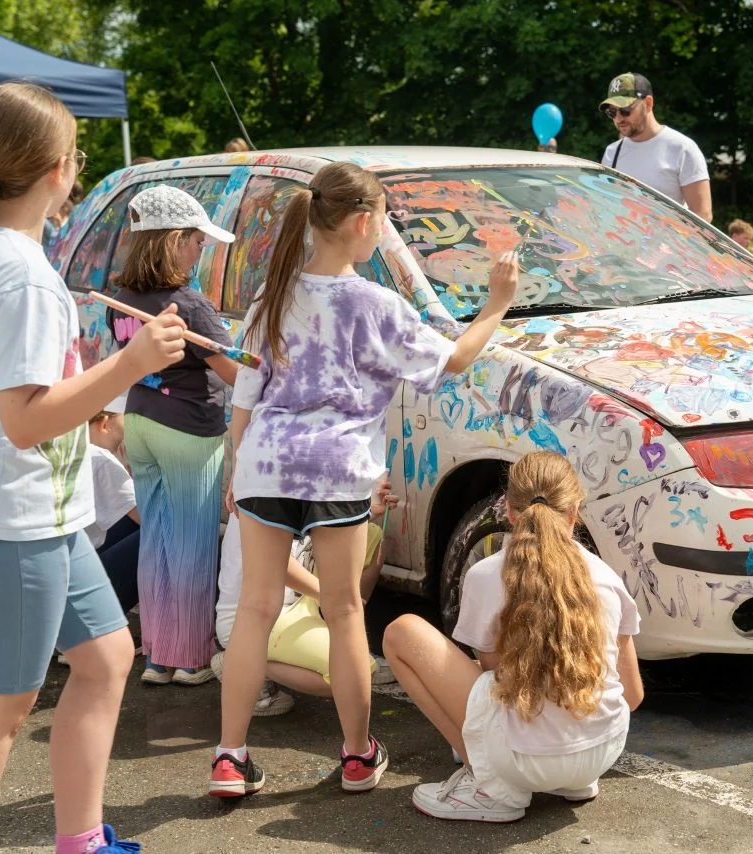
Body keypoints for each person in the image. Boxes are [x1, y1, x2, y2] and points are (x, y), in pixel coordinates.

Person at [0, 81, 185, 854]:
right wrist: (129, 363)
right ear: (60, 167)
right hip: (11, 521)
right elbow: (26, 420)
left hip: (27, 512)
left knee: (105, 658)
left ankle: (81, 839)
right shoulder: (22, 272)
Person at [211, 160, 518, 799]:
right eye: (382, 218)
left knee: (256, 612)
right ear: (360, 221)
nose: (383, 228)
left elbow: (245, 392)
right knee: (347, 607)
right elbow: (454, 358)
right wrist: (496, 305)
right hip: (339, 469)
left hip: (265, 462)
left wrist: (241, 471)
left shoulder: (273, 297)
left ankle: (230, 758)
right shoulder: (375, 304)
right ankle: (356, 755)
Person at [383, 452, 644, 822]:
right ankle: (570, 782)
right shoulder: (607, 579)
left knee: (401, 632)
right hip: (601, 753)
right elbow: (632, 695)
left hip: (524, 759)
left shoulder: (487, 575)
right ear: (575, 512)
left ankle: (490, 787)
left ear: (507, 510)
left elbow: (495, 676)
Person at [105, 184, 239, 687]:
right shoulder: (191, 305)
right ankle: (190, 656)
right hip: (188, 430)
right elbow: (233, 374)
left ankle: (158, 655)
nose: (201, 250)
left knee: (156, 539)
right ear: (176, 240)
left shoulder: (122, 300)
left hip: (139, 424)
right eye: (198, 242)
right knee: (193, 544)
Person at [210, 476, 400, 719]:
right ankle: (241, 663)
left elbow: (325, 533)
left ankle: (338, 634)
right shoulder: (265, 482)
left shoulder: (307, 473)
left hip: (294, 602)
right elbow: (277, 564)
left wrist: (368, 511)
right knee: (351, 673)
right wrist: (336, 598)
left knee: (371, 537)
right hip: (253, 616)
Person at [599, 72, 712, 221]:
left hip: (669, 243)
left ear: (648, 104)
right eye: (612, 112)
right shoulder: (612, 152)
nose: (619, 118)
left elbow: (702, 216)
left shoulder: (682, 148)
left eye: (625, 110)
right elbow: (606, 206)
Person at [85, 394, 140, 616]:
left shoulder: (72, 449)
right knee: (164, 535)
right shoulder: (100, 459)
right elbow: (148, 518)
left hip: (58, 582)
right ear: (105, 424)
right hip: (81, 594)